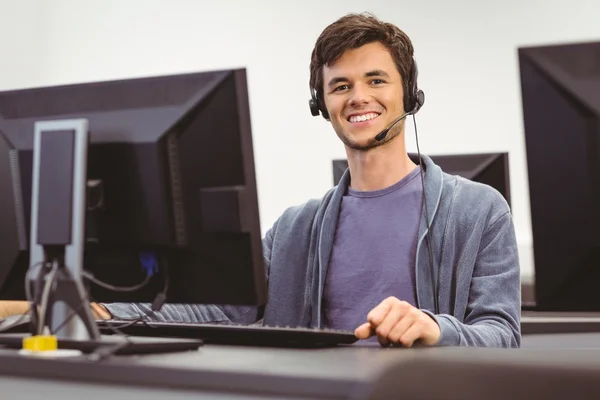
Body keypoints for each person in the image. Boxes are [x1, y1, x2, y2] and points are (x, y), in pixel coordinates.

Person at [0, 13, 521, 348]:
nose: (358, 96)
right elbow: (220, 304)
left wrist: (435, 327)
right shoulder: (297, 227)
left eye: (376, 80)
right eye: (340, 85)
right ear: (322, 105)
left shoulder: (477, 210)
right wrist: (73, 306)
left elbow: (501, 333)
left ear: (410, 95)